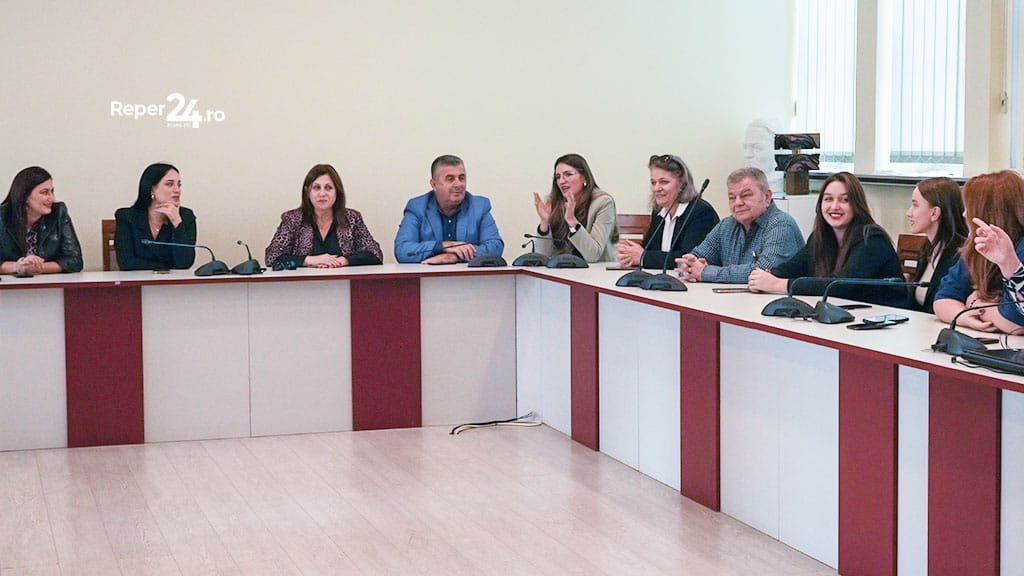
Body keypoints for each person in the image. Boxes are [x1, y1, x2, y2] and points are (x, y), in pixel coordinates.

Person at [747, 171, 905, 306]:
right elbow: (792, 267)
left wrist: (778, 285)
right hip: (847, 316)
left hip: (890, 321)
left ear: (857, 205)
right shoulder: (821, 237)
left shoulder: (872, 240)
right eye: (828, 199)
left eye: (844, 200)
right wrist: (767, 276)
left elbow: (840, 287)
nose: (834, 206)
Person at [675, 167, 803, 283]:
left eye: (745, 195)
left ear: (767, 197)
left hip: (774, 301)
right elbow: (692, 258)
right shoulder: (726, 225)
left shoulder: (781, 225)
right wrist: (688, 266)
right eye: (732, 197)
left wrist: (705, 272)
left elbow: (765, 271)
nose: (737, 203)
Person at [934, 170, 1024, 333]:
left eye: (969, 207)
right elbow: (942, 300)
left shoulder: (1021, 248)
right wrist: (966, 318)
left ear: (988, 213)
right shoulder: (978, 247)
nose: (964, 214)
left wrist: (975, 304)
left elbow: (1016, 324)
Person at [266, 164, 382, 269]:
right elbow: (272, 256)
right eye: (316, 188)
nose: (322, 194)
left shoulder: (352, 218)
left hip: (344, 282)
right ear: (307, 191)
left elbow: (375, 254)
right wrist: (310, 260)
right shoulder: (292, 219)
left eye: (328, 188)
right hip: (302, 284)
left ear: (337, 192)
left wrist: (342, 261)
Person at [615, 154, 719, 269]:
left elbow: (689, 258)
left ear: (682, 184)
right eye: (653, 182)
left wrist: (643, 257)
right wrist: (628, 253)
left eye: (664, 182)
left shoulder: (701, 212)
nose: (656, 188)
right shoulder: (659, 211)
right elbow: (648, 249)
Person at [395, 155, 504, 264]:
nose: (458, 184)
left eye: (461, 178)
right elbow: (402, 250)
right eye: (450, 179)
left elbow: (495, 247)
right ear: (434, 185)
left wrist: (454, 256)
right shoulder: (417, 207)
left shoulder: (479, 206)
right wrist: (442, 246)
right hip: (429, 274)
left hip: (468, 274)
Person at [533, 153, 618, 262]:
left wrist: (572, 221)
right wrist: (544, 222)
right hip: (562, 268)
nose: (561, 181)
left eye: (568, 174)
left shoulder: (602, 203)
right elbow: (541, 257)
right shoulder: (553, 202)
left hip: (594, 269)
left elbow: (593, 255)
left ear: (584, 177)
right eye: (558, 177)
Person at [0, 166, 83, 274]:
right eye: (44, 192)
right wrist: (17, 267)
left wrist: (38, 267)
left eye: (52, 191)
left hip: (48, 282)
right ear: (25, 196)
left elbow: (75, 261)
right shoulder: (2, 217)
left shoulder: (58, 213)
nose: (52, 198)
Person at [114, 163, 197, 270]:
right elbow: (126, 263)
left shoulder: (186, 217)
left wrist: (176, 222)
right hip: (138, 279)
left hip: (172, 280)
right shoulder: (127, 217)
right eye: (169, 184)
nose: (177, 190)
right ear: (151, 189)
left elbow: (185, 263)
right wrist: (168, 267)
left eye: (179, 185)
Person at [904, 177, 968, 312]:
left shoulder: (960, 254)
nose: (908, 213)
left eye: (915, 205)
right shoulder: (927, 248)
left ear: (935, 213)